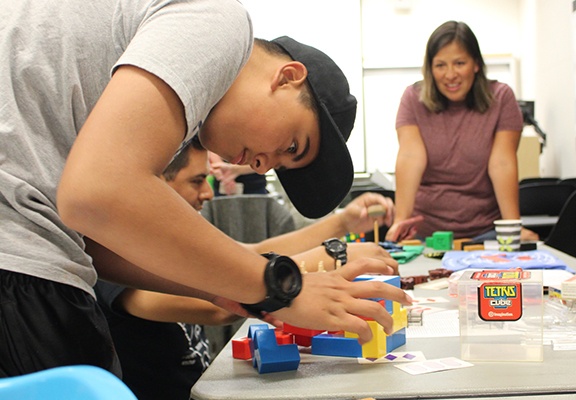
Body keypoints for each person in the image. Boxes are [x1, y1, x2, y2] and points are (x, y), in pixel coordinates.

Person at [1, 0, 410, 378]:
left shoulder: (147, 85)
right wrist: (279, 285)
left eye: (279, 165)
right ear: (288, 77)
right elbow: (94, 192)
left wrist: (238, 290)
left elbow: (97, 242)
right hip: (19, 263)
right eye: (291, 146)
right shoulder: (219, 21)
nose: (262, 164)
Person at [96, 136, 399, 400]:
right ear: (157, 185)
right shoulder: (119, 258)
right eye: (196, 180)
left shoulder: (167, 248)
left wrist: (342, 223)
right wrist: (331, 257)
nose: (209, 193)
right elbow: (224, 300)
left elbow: (250, 255)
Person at [385, 20, 539, 242]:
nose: (450, 75)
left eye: (459, 63)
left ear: (476, 63)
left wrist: (512, 229)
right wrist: (401, 223)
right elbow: (410, 157)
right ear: (430, 68)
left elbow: (502, 163)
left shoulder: (501, 97)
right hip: (427, 233)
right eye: (440, 65)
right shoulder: (413, 98)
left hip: (485, 233)